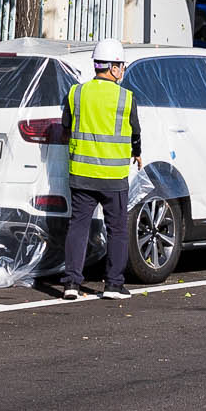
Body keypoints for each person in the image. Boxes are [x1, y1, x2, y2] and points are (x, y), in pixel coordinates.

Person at [57, 38, 141, 301]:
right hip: (113, 177)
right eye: (122, 66)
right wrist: (137, 153)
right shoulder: (126, 98)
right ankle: (114, 285)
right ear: (114, 68)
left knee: (78, 227)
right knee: (116, 229)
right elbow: (135, 133)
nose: (123, 71)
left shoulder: (76, 93)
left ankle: (71, 283)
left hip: (81, 175)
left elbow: (66, 127)